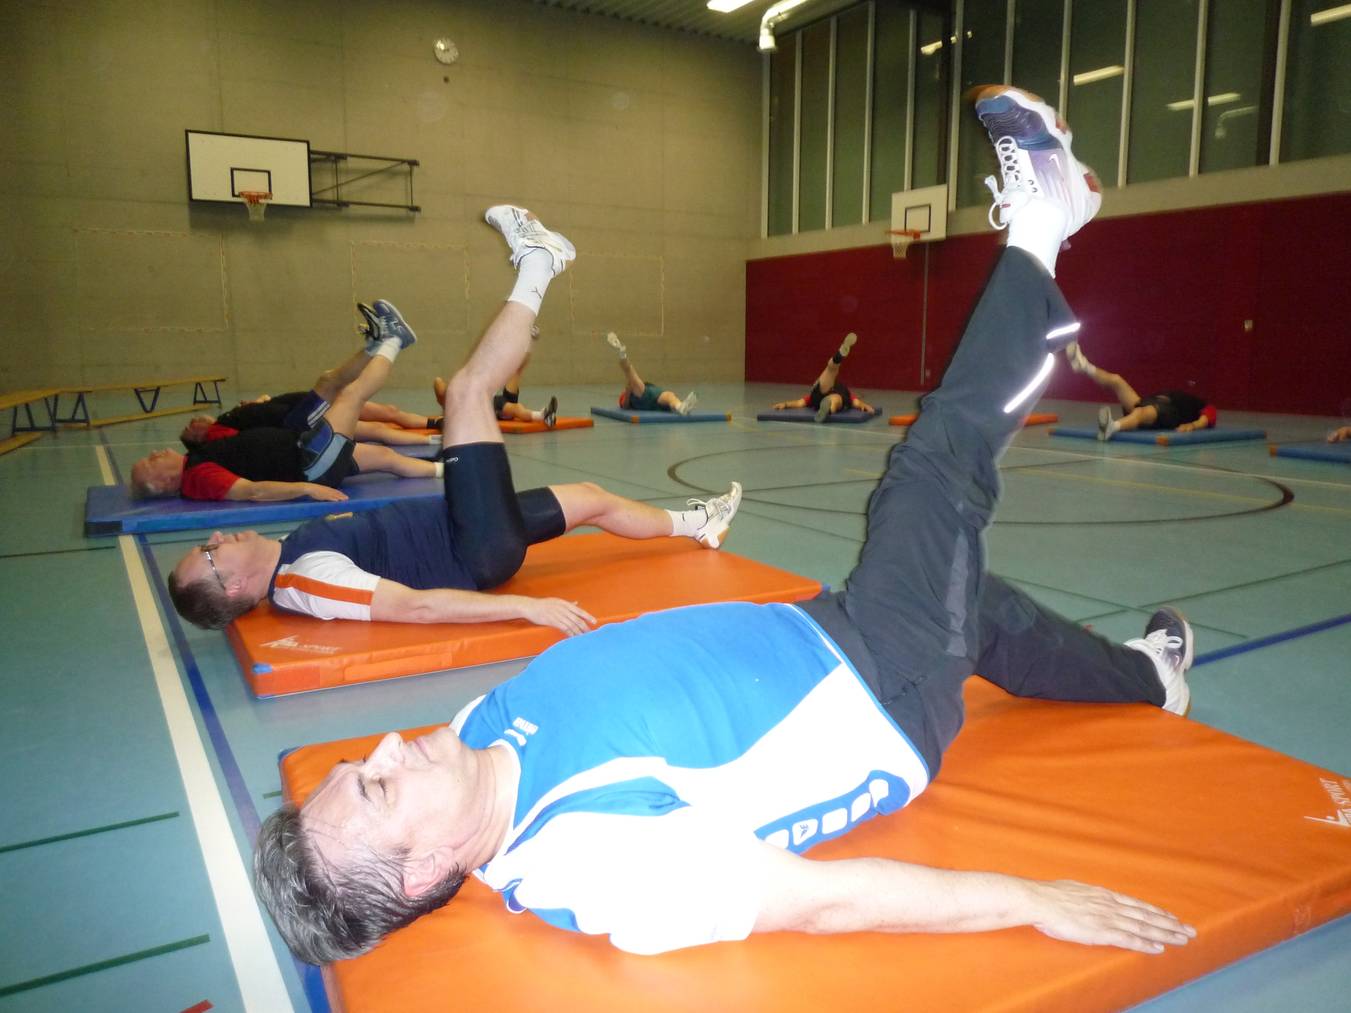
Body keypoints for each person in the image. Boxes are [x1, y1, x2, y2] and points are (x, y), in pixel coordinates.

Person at [254, 92, 1199, 966]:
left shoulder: (466, 740)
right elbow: (823, 902)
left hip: (822, 630)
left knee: (973, 606)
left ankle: (1148, 677)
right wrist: (1032, 897)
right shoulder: (593, 863)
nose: (385, 747)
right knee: (932, 471)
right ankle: (1044, 222)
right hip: (886, 687)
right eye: (377, 786)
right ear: (424, 870)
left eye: (359, 760)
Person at [167, 207, 741, 633]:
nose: (215, 538)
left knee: (592, 498)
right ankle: (540, 260)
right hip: (475, 545)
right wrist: (525, 607)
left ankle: (699, 523)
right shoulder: (304, 581)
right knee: (467, 392)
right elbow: (414, 607)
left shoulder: (288, 555)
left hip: (464, 524)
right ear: (234, 586)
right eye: (209, 555)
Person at [130, 303, 437, 501]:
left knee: (385, 457)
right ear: (164, 481)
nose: (156, 453)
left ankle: (448, 470)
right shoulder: (198, 477)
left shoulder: (196, 462)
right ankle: (394, 340)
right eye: (151, 462)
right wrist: (307, 488)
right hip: (310, 464)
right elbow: (252, 491)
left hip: (303, 447)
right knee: (351, 395)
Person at [178, 391, 442, 450]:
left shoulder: (227, 419)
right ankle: (435, 439)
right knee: (375, 429)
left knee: (387, 411)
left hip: (304, 403)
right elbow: (250, 440)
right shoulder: (217, 435)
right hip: (302, 420)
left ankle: (434, 423)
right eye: (190, 428)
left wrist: (258, 402)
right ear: (199, 437)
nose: (193, 421)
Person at [1063, 344, 1216, 441]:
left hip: (1169, 414)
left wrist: (1192, 426)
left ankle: (1112, 427)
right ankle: (1083, 365)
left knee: (1141, 412)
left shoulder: (1204, 406)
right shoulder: (1182, 395)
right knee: (1117, 380)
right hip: (1151, 402)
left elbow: (1207, 418)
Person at [771, 332, 877, 422]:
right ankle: (828, 409)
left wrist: (786, 404)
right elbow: (857, 403)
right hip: (829, 395)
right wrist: (864, 405)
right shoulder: (847, 395)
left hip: (819, 394)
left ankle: (838, 357)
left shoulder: (814, 397)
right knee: (835, 398)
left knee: (830, 371)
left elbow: (799, 403)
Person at [606, 331, 698, 415]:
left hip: (655, 396)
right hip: (642, 396)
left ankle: (680, 407)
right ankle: (622, 353)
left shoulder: (642, 388)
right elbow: (625, 406)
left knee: (670, 396)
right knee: (630, 372)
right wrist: (628, 392)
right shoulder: (627, 394)